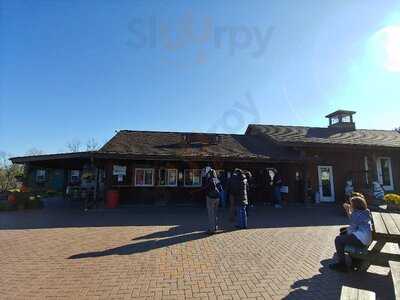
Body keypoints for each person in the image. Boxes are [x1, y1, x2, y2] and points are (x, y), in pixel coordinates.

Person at [330, 195, 372, 272]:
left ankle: (342, 265)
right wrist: (348, 210)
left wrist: (345, 233)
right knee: (343, 233)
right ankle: (355, 259)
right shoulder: (365, 212)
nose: (350, 205)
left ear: (355, 206)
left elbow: (352, 230)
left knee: (338, 239)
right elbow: (353, 221)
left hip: (361, 239)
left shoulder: (356, 214)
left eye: (351, 204)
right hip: (367, 238)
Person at [204, 169, 221, 234]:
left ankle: (211, 230)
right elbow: (220, 189)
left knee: (211, 214)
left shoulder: (209, 179)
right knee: (215, 213)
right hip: (217, 198)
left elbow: (205, 188)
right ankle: (215, 227)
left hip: (210, 198)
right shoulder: (217, 179)